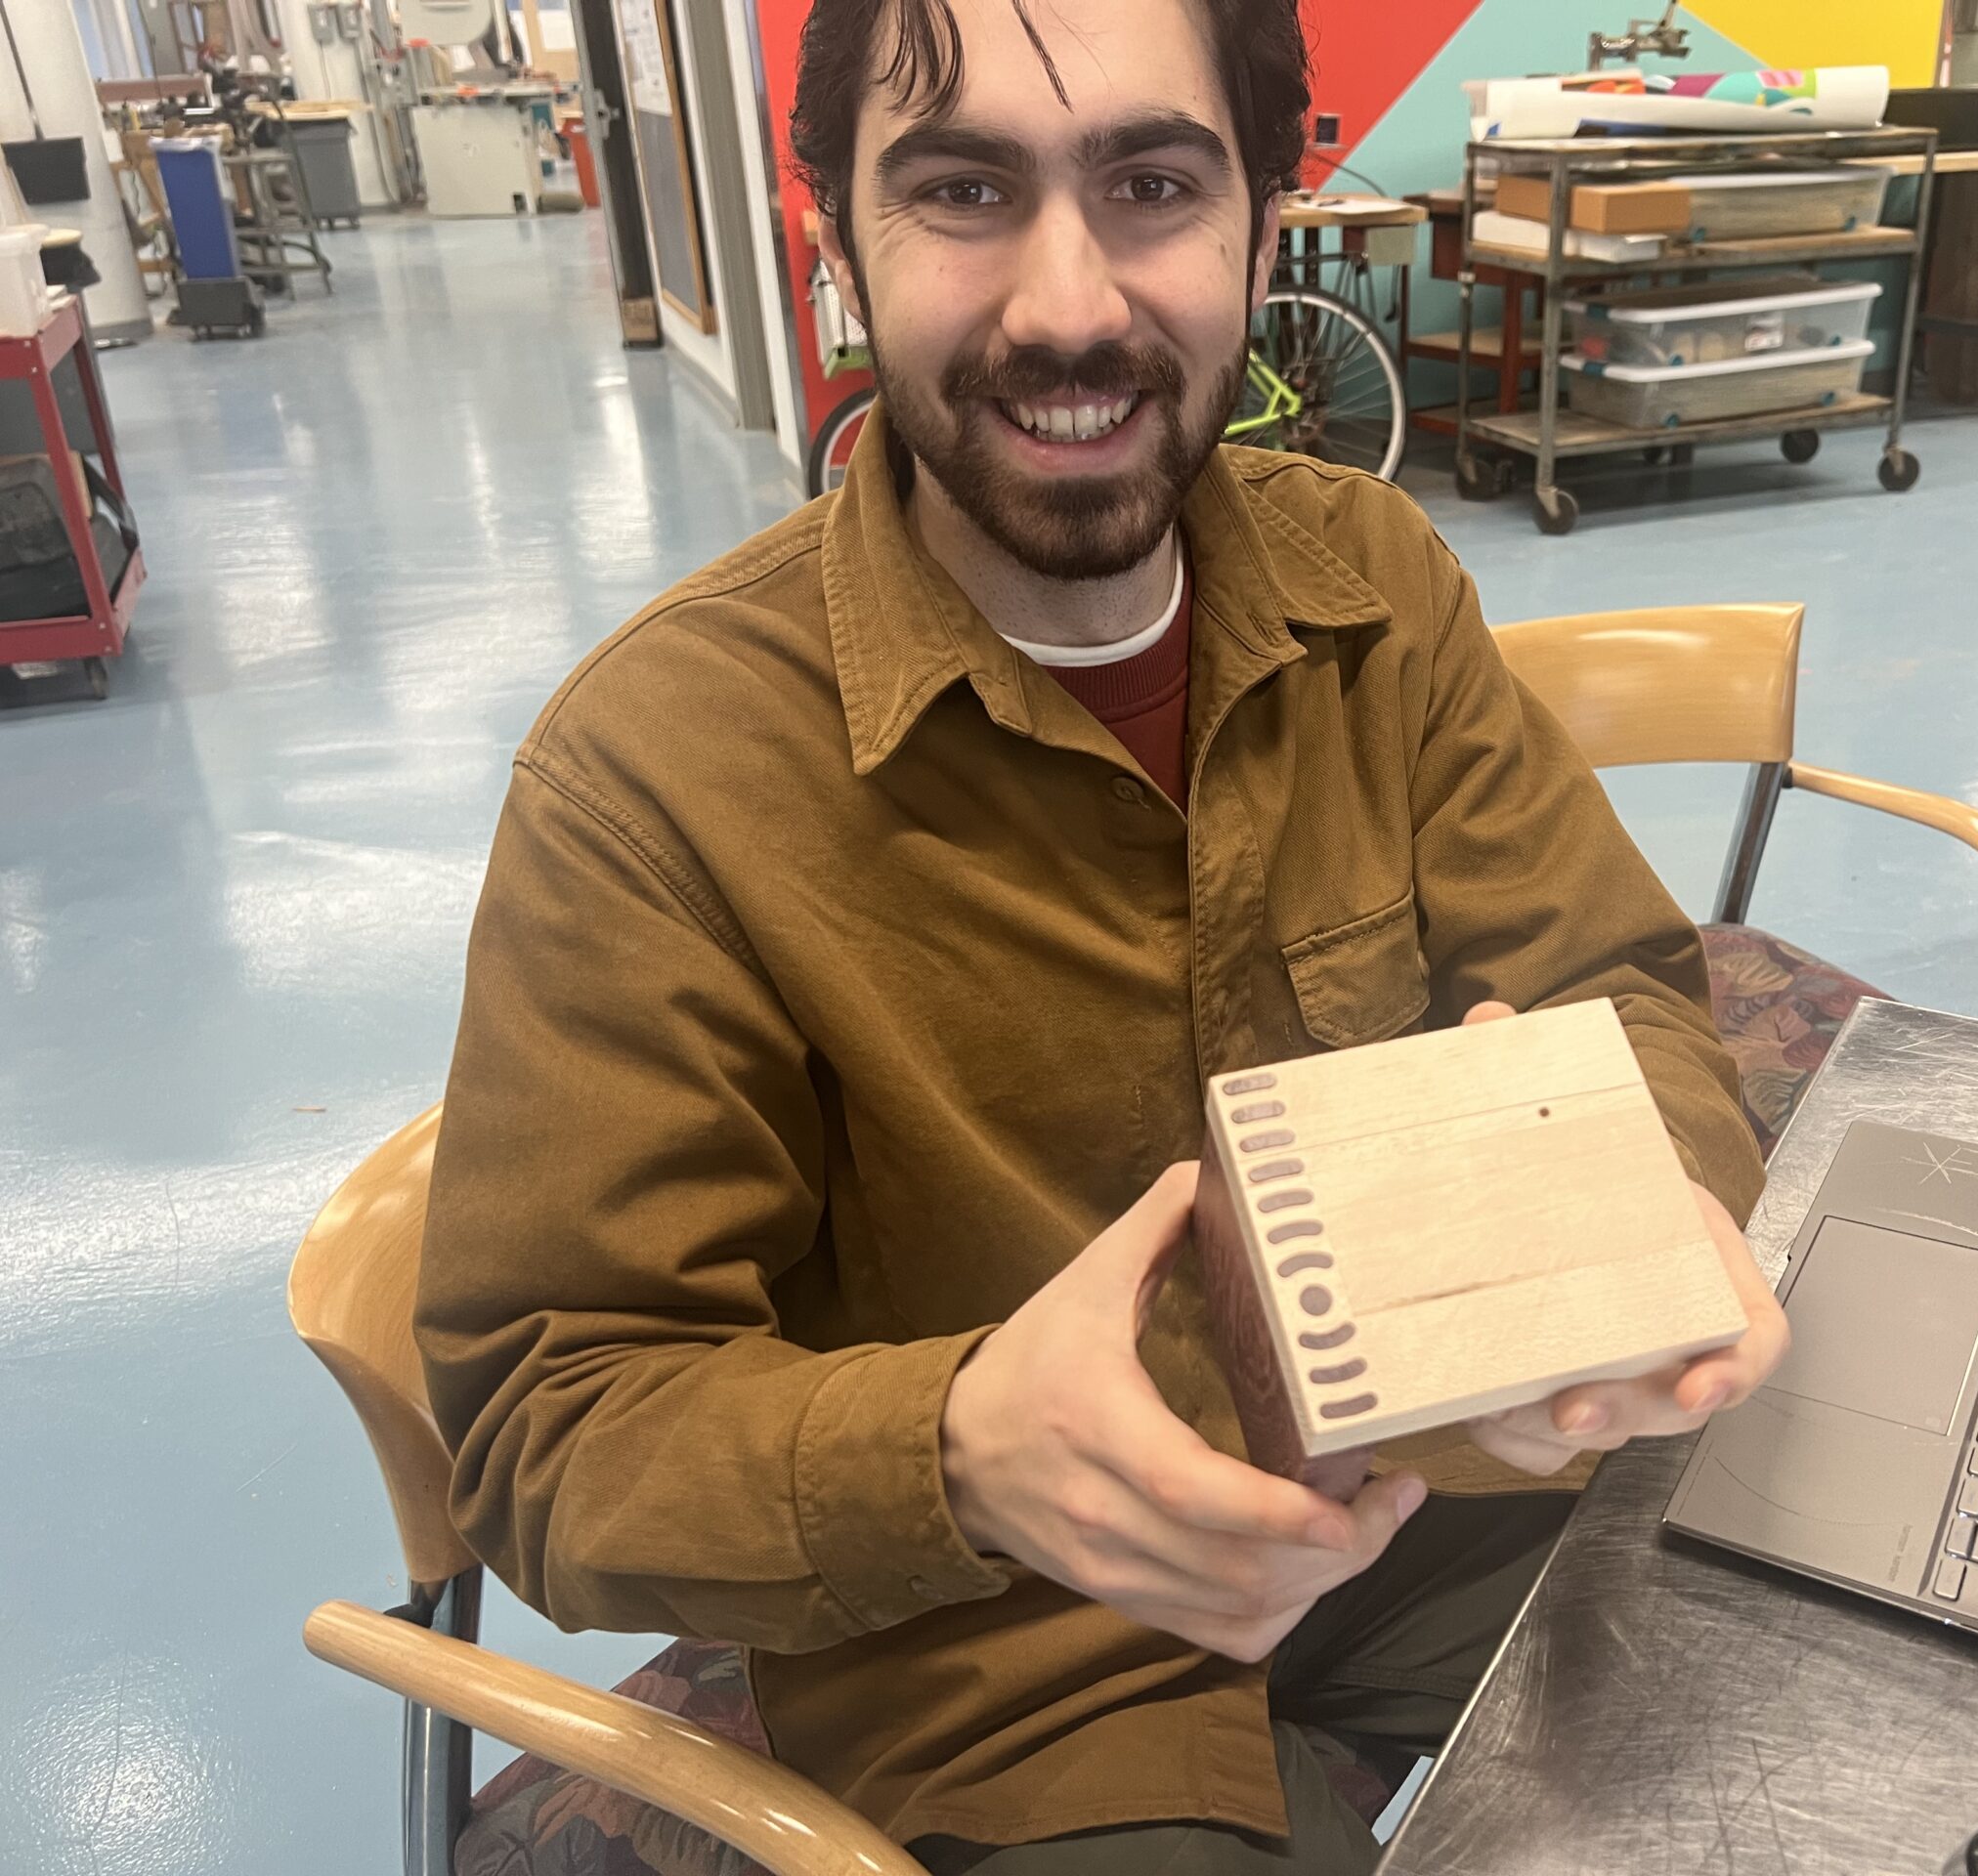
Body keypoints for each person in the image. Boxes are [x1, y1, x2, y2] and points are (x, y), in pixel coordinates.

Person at [415, 0, 1787, 1868]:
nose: (1068, 308)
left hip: (1442, 1490)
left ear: (1258, 226)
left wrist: (1636, 1235)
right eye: (964, 189)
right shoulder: (654, 772)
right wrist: (966, 1444)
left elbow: (1620, 998)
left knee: (1846, 1702)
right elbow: (552, 1422)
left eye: (1151, 184)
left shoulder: (1378, 591)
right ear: (839, 240)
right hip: (1007, 1661)